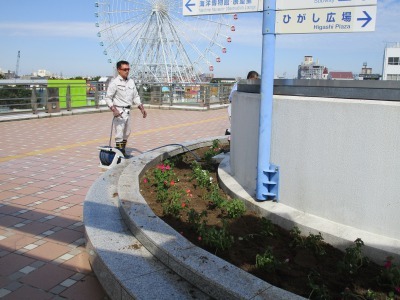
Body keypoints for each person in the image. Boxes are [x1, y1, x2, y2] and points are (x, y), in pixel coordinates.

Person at [104, 60, 147, 157]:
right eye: (124, 69)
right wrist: (114, 110)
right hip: (119, 111)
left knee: (127, 132)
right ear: (119, 70)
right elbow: (108, 98)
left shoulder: (131, 82)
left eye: (128, 69)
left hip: (128, 110)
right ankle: (119, 154)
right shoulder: (114, 83)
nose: (127, 71)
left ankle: (122, 151)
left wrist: (141, 108)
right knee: (119, 133)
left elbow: (135, 96)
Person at [226, 70, 259, 135]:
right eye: (255, 79)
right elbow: (232, 97)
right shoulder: (240, 84)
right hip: (234, 107)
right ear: (250, 78)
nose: (255, 81)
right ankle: (229, 136)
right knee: (235, 125)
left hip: (241, 109)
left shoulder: (251, 85)